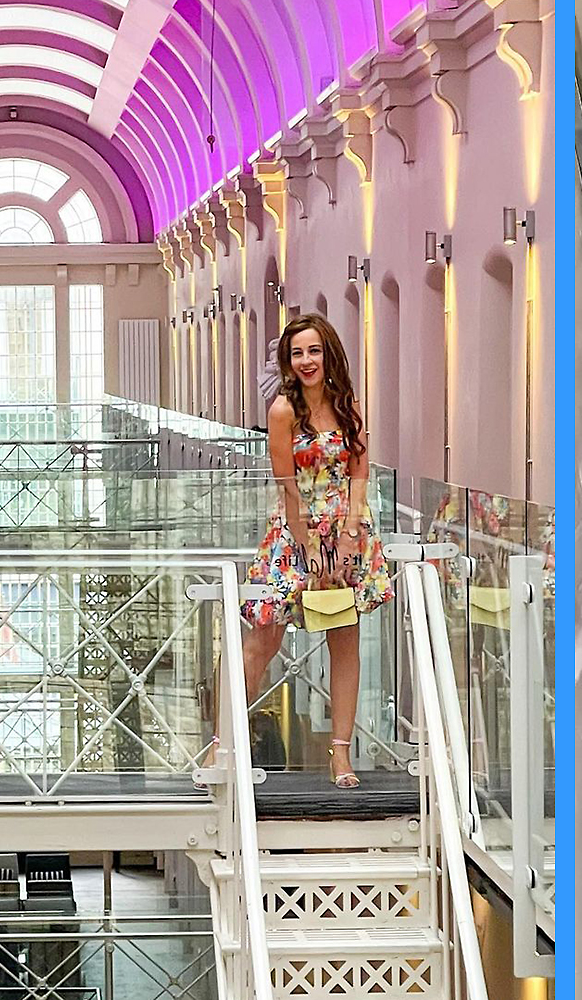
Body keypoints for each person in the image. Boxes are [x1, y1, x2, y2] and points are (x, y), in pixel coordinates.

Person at [239, 313, 396, 788]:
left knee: (344, 639)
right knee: (264, 636)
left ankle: (341, 755)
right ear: (288, 362)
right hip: (297, 531)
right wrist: (309, 547)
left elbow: (360, 475)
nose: (306, 361)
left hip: (347, 530)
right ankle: (223, 744)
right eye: (297, 353)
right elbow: (286, 486)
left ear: (328, 354)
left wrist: (350, 534)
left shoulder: (350, 407)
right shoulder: (283, 412)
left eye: (313, 351)